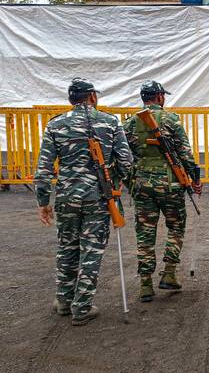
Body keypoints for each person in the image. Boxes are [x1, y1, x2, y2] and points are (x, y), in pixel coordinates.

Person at [34, 78, 133, 326]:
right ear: (92, 97)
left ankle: (64, 301)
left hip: (67, 197)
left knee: (67, 247)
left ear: (71, 100)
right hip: (98, 197)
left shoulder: (55, 124)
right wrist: (116, 181)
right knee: (91, 251)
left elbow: (44, 170)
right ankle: (82, 307)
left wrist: (43, 201)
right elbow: (126, 161)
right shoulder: (110, 122)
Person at [123, 80, 202, 302]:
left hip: (143, 185)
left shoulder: (129, 123)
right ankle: (169, 273)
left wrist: (131, 182)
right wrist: (194, 180)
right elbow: (185, 153)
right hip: (170, 185)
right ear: (159, 97)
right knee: (176, 227)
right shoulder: (170, 119)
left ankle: (145, 283)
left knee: (145, 233)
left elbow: (123, 156)